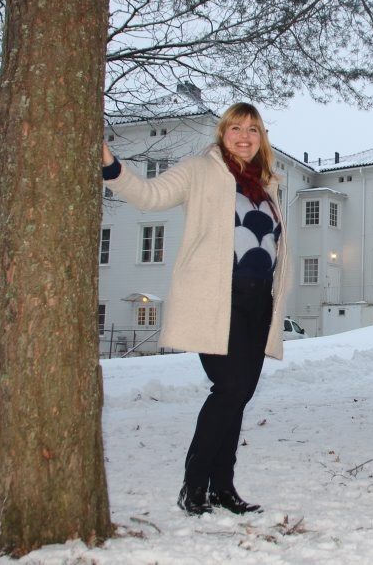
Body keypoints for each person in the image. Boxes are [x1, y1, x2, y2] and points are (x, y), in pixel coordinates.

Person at [102, 102, 290, 514]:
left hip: (260, 302)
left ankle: (222, 488)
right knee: (230, 390)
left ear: (262, 138)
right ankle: (194, 486)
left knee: (239, 396)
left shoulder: (267, 185)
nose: (244, 136)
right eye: (236, 128)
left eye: (253, 129)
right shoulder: (199, 169)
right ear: (222, 133)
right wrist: (110, 166)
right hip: (219, 298)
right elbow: (150, 196)